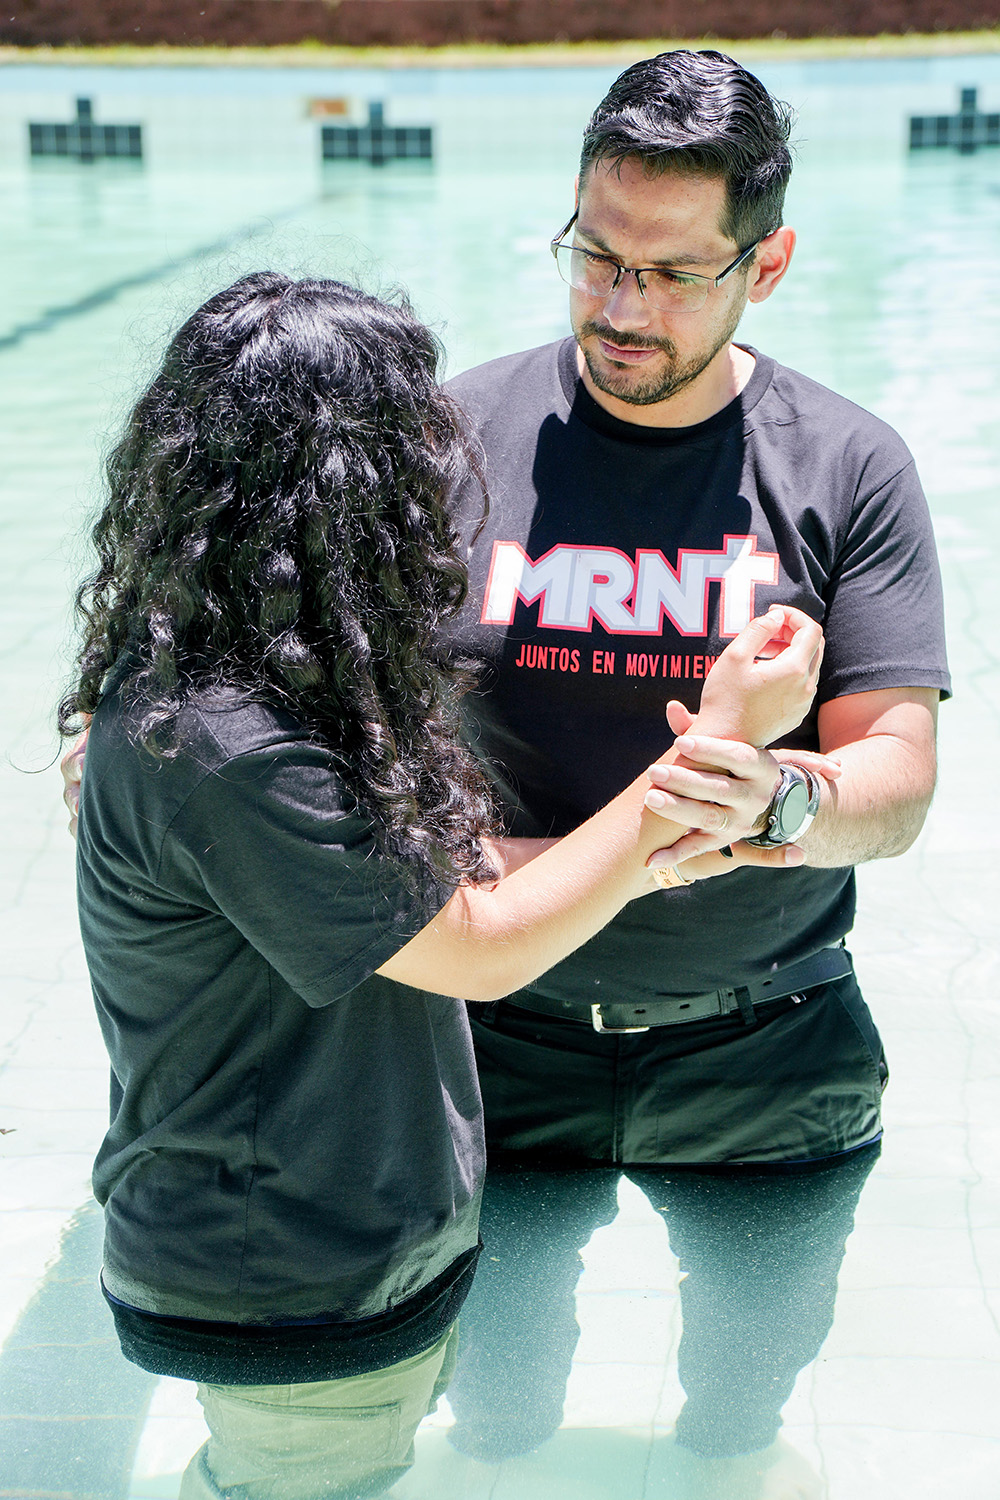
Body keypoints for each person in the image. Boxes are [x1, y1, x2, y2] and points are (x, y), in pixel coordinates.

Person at [58, 271, 822, 1500]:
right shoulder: (224, 742)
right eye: (414, 438)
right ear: (347, 484)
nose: (442, 466)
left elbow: (420, 889)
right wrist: (713, 744)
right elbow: (478, 943)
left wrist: (675, 852)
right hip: (287, 1277)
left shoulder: (264, 686)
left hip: (335, 1251)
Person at [434, 48, 950, 1479]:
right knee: (493, 1419)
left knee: (739, 1421)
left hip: (768, 1045)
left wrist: (780, 796)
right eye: (595, 256)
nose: (620, 306)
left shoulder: (846, 464)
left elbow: (896, 780)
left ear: (765, 265)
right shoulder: (454, 440)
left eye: (670, 274)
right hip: (497, 1037)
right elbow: (360, 753)